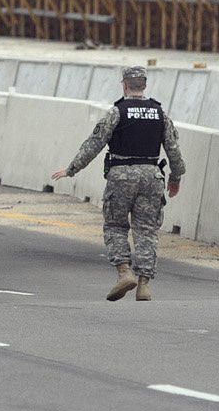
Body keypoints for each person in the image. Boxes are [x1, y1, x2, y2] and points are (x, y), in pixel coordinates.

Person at [51, 66, 185, 301]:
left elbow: (94, 143)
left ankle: (124, 273)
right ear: (144, 85)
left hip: (121, 175)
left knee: (115, 226)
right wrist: (175, 178)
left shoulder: (117, 112)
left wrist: (71, 169)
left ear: (124, 85)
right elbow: (174, 149)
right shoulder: (160, 113)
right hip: (151, 175)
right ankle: (144, 284)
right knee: (147, 230)